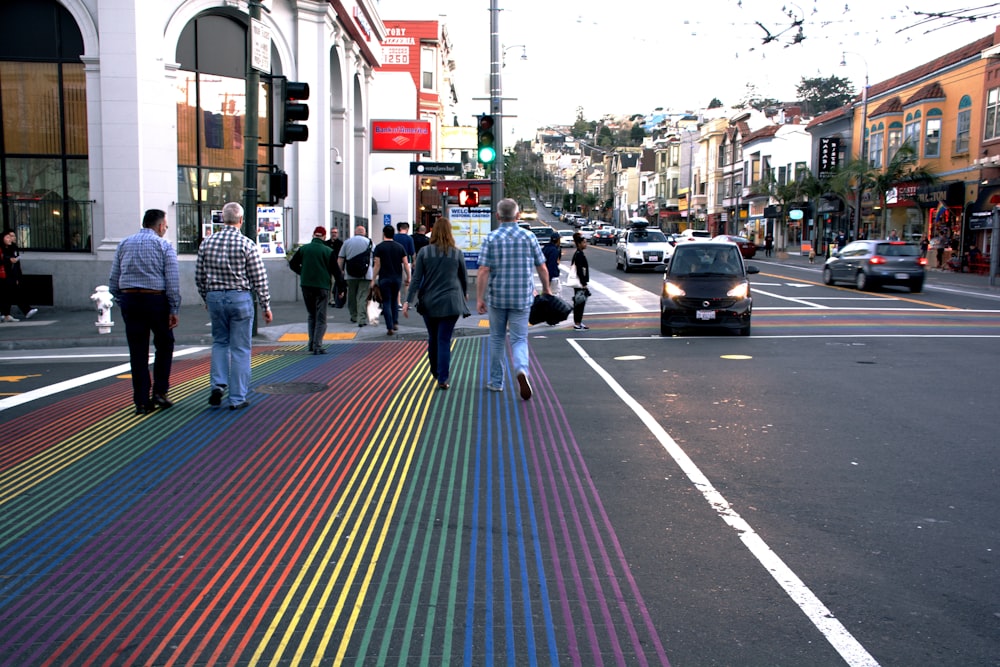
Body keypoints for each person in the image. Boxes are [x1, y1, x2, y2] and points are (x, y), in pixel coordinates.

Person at [195, 201, 273, 410]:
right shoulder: (247, 244)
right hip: (239, 298)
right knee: (240, 348)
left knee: (220, 342)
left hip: (214, 297)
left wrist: (206, 297)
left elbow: (199, 276)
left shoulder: (207, 243)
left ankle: (218, 385)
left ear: (223, 219)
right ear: (240, 220)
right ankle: (237, 397)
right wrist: (265, 304)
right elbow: (259, 277)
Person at [476, 198, 552, 400]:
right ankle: (521, 370)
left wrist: (479, 298)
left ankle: (495, 381)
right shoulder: (529, 237)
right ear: (518, 216)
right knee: (519, 339)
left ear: (498, 216)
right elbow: (542, 266)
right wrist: (546, 289)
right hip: (522, 297)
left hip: (497, 297)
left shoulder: (491, 238)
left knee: (497, 338)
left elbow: (483, 270)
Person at [107, 209, 180, 415]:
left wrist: (122, 299)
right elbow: (172, 280)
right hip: (156, 299)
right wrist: (174, 308)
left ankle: (141, 400)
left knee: (137, 350)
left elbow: (114, 278)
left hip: (131, 298)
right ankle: (160, 391)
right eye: (165, 225)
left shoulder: (124, 243)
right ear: (159, 226)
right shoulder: (164, 245)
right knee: (164, 344)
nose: (165, 229)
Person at [403, 218, 468, 389]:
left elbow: (416, 279)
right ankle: (443, 378)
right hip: (451, 302)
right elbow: (463, 277)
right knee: (444, 339)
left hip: (429, 302)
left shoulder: (424, 252)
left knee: (433, 338)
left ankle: (435, 370)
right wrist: (465, 293)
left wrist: (407, 301)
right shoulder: (456, 252)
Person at [289, 226, 337, 354]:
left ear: (313, 235)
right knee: (321, 317)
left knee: (312, 315)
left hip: (306, 285)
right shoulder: (328, 251)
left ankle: (311, 343)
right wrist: (342, 287)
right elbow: (336, 271)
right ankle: (317, 345)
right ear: (324, 236)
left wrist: (303, 273)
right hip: (322, 286)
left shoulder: (304, 249)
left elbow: (292, 264)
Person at [371, 225, 410, 335]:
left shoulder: (379, 247)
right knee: (394, 301)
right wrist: (408, 277)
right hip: (397, 278)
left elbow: (377, 264)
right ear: (393, 234)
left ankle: (389, 327)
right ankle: (395, 322)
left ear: (384, 234)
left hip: (384, 278)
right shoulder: (400, 247)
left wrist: (373, 279)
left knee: (386, 302)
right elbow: (405, 264)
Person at [0, 228, 38, 323]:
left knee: (8, 295)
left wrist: (17, 277)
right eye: (8, 237)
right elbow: (3, 258)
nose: (11, 239)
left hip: (8, 275)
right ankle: (24, 310)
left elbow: (15, 265)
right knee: (11, 294)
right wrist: (8, 260)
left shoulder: (12, 248)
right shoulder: (2, 249)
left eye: (12, 236)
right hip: (3, 275)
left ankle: (6, 315)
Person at [339, 225, 372, 326]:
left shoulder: (347, 242)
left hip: (350, 273)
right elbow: (376, 258)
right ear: (364, 233)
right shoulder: (369, 243)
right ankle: (361, 319)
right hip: (366, 274)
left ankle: (353, 316)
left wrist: (340, 271)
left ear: (355, 232)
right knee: (362, 296)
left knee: (352, 295)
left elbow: (341, 258)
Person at [570, 232, 590, 330]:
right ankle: (577, 323)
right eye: (584, 243)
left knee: (580, 302)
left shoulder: (579, 253)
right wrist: (584, 283)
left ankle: (579, 322)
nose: (585, 244)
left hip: (579, 282)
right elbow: (580, 270)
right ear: (579, 244)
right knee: (579, 303)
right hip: (579, 283)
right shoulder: (579, 254)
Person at [324, 227, 346, 307]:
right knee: (327, 283)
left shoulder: (340, 244)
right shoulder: (326, 243)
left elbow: (343, 257)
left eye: (335, 232)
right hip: (326, 267)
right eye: (332, 232)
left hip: (335, 267)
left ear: (338, 234)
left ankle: (332, 299)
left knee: (333, 283)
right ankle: (328, 299)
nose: (334, 234)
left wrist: (342, 268)